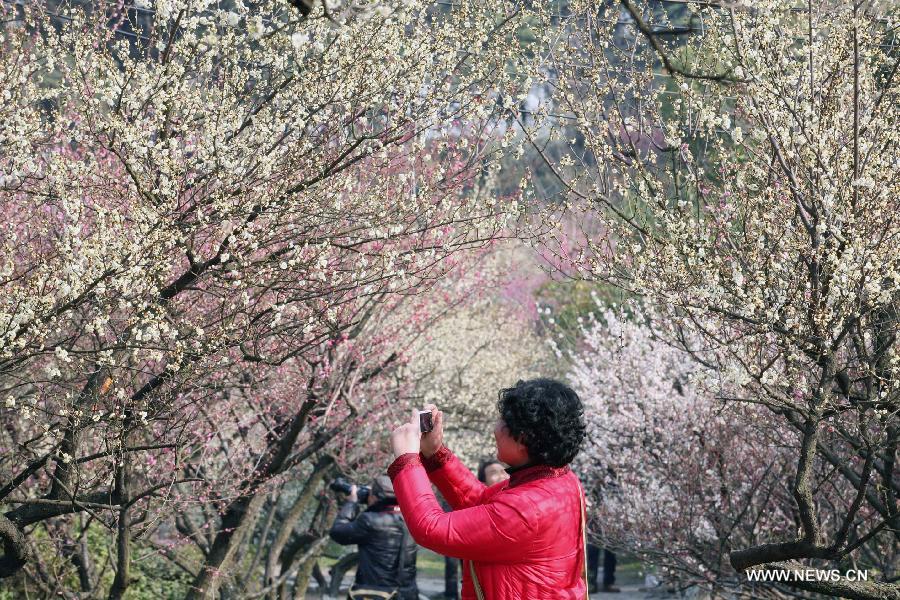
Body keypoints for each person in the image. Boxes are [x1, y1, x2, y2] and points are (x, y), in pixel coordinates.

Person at [387, 378, 589, 599]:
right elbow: (481, 503)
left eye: (502, 422)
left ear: (522, 438)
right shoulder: (558, 481)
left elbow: (431, 528)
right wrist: (435, 453)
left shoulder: (527, 508)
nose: (495, 429)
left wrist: (407, 461)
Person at [329, 475, 419, 600]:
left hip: (375, 594)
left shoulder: (370, 521)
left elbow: (337, 532)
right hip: (406, 593)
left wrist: (351, 503)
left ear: (374, 497)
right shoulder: (412, 519)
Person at [443, 459, 510, 599]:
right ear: (483, 482)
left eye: (504, 472)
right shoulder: (475, 511)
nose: (501, 476)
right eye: (493, 473)